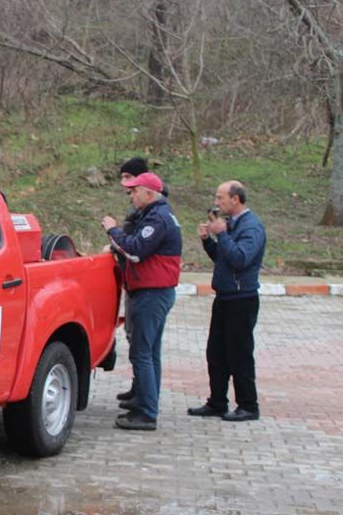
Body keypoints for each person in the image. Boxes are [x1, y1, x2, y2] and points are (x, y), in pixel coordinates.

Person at [100, 171, 181, 431]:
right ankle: (146, 403)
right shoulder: (155, 216)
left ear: (149, 193)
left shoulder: (157, 219)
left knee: (142, 353)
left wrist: (112, 230)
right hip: (152, 291)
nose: (131, 195)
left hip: (151, 293)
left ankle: (147, 412)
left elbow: (135, 251)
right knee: (150, 352)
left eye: (135, 191)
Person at [188, 181, 266, 422]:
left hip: (242, 300)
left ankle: (248, 405)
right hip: (224, 297)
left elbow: (240, 259)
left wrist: (221, 233)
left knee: (239, 354)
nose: (217, 202)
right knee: (216, 353)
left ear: (236, 199)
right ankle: (217, 402)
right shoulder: (232, 224)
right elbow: (223, 258)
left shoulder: (251, 227)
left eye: (221, 197)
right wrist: (208, 241)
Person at [113, 157, 150, 405]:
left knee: (142, 345)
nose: (124, 185)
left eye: (128, 178)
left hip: (145, 285)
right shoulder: (138, 209)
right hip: (133, 282)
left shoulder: (151, 212)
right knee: (135, 340)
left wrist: (114, 234)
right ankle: (140, 389)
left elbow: (136, 246)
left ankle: (145, 400)